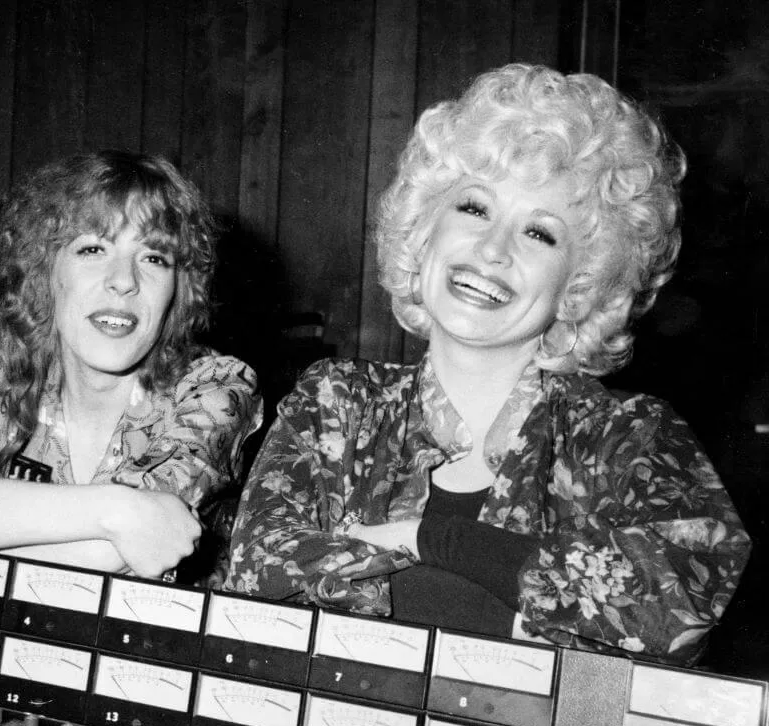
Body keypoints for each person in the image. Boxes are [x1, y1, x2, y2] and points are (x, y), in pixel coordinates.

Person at [225, 64, 750, 665]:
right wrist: (524, 586)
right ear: (425, 232)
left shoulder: (629, 436)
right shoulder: (335, 403)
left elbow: (677, 605)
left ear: (579, 286)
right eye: (475, 209)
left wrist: (425, 539)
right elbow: (259, 575)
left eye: (539, 233)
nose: (493, 250)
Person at [0, 151, 262, 578]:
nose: (124, 280)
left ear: (177, 291)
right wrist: (114, 507)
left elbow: (115, 554)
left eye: (154, 258)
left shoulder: (214, 389)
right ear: (44, 272)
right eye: (92, 248)